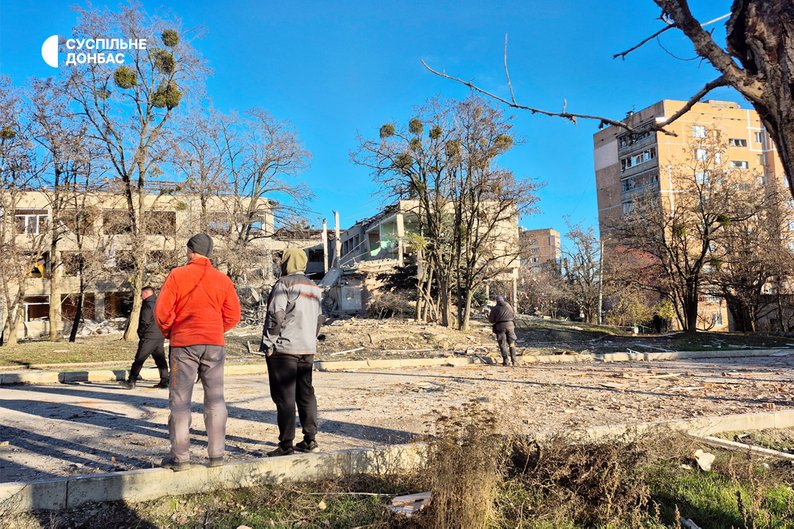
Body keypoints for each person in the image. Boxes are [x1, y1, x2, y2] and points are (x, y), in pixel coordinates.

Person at [154, 234, 240, 471]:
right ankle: (217, 457)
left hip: (184, 344)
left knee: (180, 401)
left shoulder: (177, 275)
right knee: (215, 398)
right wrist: (214, 329)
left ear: (191, 251)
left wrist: (172, 331)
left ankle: (181, 459)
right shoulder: (222, 279)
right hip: (214, 344)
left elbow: (162, 312)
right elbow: (233, 315)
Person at [260, 248, 322, 457]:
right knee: (306, 394)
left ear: (286, 262)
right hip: (307, 348)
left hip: (284, 349)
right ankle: (310, 439)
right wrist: (311, 340)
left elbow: (276, 316)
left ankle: (286, 445)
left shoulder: (283, 284)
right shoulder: (314, 287)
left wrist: (269, 343)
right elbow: (319, 319)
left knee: (284, 398)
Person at [121, 286, 168, 389]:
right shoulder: (159, 302)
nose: (141, 296)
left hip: (149, 335)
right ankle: (164, 381)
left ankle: (131, 381)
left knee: (139, 358)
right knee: (160, 359)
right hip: (159, 335)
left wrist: (141, 333)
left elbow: (144, 321)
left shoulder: (147, 304)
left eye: (142, 294)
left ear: (146, 293)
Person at [488, 295, 518, 366]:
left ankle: (506, 361)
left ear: (496, 301)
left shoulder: (495, 309)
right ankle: (514, 361)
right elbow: (513, 315)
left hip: (500, 327)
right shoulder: (508, 306)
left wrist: (489, 317)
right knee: (512, 343)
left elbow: (491, 320)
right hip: (510, 326)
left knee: (502, 344)